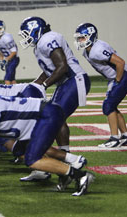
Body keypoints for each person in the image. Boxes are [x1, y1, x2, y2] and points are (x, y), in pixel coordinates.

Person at [0, 81, 94, 197]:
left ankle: (80, 175)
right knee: (21, 151)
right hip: (38, 118)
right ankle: (65, 173)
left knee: (32, 159)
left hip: (45, 115)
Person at [18, 16, 91, 154]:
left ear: (35, 30)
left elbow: (62, 66)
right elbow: (49, 69)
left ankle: (58, 156)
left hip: (73, 79)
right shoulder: (41, 44)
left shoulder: (47, 39)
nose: (25, 37)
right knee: (55, 116)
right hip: (67, 82)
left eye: (27, 33)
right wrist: (34, 85)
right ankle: (63, 153)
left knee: (54, 116)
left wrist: (44, 85)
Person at [74, 23, 127, 148]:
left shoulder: (96, 50)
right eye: (79, 38)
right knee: (112, 106)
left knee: (108, 106)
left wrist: (117, 81)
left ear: (91, 36)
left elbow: (120, 62)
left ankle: (114, 138)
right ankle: (125, 137)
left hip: (123, 75)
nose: (80, 40)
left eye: (83, 37)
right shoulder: (89, 51)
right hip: (117, 77)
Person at [0, 20, 20, 85]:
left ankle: (8, 94)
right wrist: (1, 61)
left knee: (7, 78)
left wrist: (5, 60)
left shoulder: (7, 37)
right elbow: (1, 51)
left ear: (3, 28)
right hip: (8, 60)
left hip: (14, 59)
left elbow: (14, 52)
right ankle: (19, 93)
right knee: (12, 80)